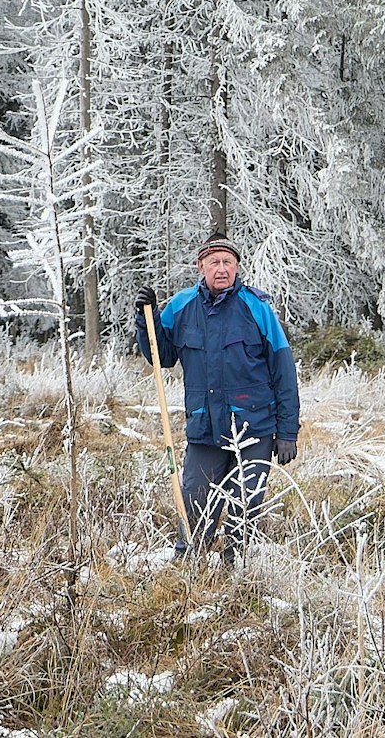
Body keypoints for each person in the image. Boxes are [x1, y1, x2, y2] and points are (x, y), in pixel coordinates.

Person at [135, 235, 300, 565]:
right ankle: (189, 570)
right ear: (201, 267)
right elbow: (161, 356)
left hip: (254, 428)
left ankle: (234, 572)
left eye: (228, 262)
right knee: (195, 502)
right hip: (204, 428)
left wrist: (288, 432)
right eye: (214, 262)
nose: (221, 269)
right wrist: (146, 319)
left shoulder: (257, 309)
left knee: (244, 506)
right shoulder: (181, 307)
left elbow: (283, 370)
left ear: (236, 267)